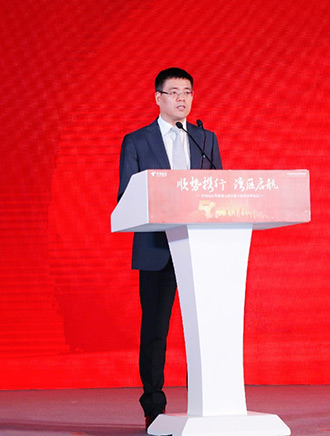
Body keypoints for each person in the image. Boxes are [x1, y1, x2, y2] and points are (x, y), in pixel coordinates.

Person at [117, 67, 223, 428]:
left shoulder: (205, 139)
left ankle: (207, 401)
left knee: (205, 330)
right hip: (156, 247)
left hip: (199, 249)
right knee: (155, 329)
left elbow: (219, 192)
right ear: (158, 98)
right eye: (174, 92)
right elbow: (127, 197)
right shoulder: (137, 141)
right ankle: (154, 405)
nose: (182, 98)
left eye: (187, 92)